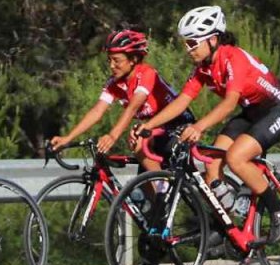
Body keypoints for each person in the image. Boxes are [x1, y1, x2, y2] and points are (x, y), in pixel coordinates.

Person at [135, 6, 280, 245]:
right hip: (251, 112)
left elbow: (230, 103)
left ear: (212, 39)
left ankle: (278, 208)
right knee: (211, 166)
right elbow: (181, 101)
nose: (188, 49)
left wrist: (199, 127)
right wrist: (149, 124)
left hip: (277, 109)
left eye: (192, 43)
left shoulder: (233, 58)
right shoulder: (203, 68)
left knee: (236, 158)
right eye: (186, 44)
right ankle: (226, 227)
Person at [48, 30, 194, 173]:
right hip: (153, 126)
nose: (111, 65)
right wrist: (68, 137)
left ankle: (163, 190)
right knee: (142, 185)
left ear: (133, 59)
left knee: (139, 144)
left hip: (178, 122)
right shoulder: (114, 83)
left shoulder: (146, 73)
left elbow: (133, 106)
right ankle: (159, 191)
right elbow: (97, 110)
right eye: (109, 60)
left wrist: (113, 135)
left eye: (116, 60)